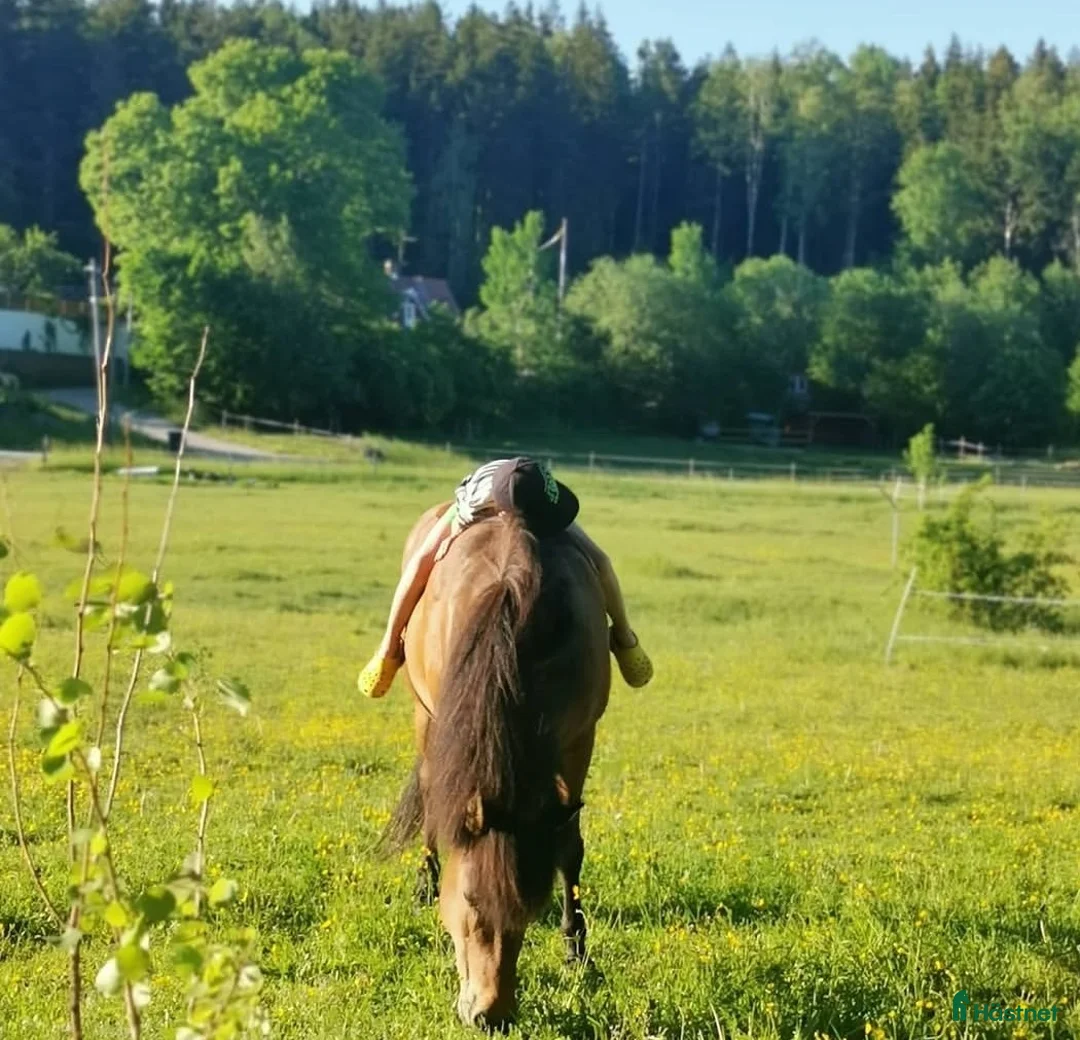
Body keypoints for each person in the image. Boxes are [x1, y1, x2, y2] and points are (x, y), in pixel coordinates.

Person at [358, 457, 653, 698]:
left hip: (537, 500)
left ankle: (625, 639)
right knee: (423, 559)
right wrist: (451, 539)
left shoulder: (542, 495)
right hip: (484, 497)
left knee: (599, 560)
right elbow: (448, 538)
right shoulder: (474, 504)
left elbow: (584, 547)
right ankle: (388, 650)